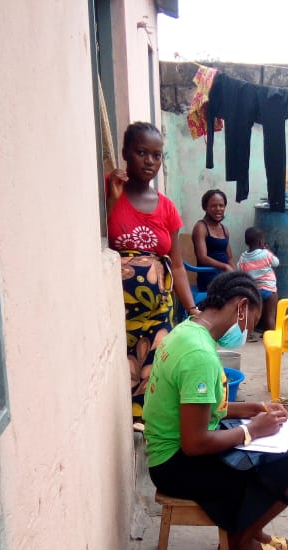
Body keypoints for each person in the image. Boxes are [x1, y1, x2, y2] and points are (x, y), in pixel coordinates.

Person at [143, 271, 288, 550]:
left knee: (284, 455)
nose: (245, 333)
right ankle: (240, 543)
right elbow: (195, 444)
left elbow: (196, 407)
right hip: (175, 465)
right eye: (249, 323)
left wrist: (252, 408)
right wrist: (251, 431)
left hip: (167, 453)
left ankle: (252, 530)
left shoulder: (188, 330)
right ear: (240, 305)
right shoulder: (199, 355)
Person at [107, 122, 198, 421]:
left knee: (154, 368)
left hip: (158, 311)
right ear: (124, 154)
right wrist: (111, 201)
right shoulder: (109, 189)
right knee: (120, 371)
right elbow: (95, 238)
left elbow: (178, 265)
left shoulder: (167, 208)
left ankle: (144, 432)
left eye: (157, 155)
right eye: (141, 152)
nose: (149, 161)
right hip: (118, 311)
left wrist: (192, 309)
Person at [238, 227, 280, 338]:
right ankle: (271, 335)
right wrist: (268, 250)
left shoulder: (243, 258)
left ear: (246, 242)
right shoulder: (266, 254)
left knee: (253, 315)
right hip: (269, 290)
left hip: (254, 291)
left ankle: (247, 335)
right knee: (270, 316)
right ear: (261, 242)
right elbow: (276, 263)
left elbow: (239, 269)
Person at [191, 189, 233, 297]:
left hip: (225, 274)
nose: (218, 209)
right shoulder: (201, 227)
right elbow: (202, 257)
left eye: (221, 205)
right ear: (205, 208)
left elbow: (230, 257)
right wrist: (224, 267)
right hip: (208, 275)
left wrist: (236, 274)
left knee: (248, 288)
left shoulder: (224, 229)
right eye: (213, 206)